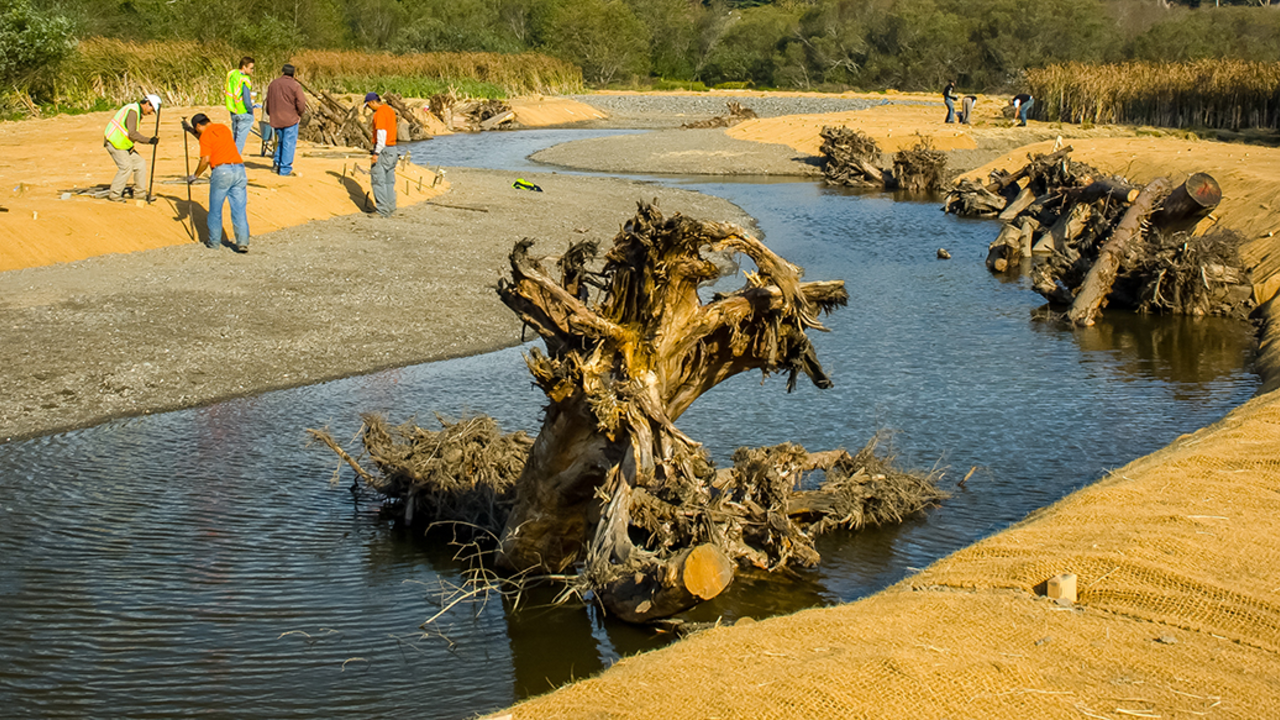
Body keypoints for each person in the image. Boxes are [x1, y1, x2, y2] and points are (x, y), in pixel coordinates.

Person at [185, 113, 249, 253]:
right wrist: (191, 131)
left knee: (215, 210)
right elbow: (207, 138)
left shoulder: (205, 135)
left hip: (222, 171)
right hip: (239, 169)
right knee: (239, 209)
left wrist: (195, 176)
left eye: (196, 130)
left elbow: (206, 159)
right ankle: (242, 242)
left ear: (199, 126)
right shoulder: (223, 128)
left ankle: (214, 242)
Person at [103, 94, 161, 202]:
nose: (151, 113)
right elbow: (132, 134)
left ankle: (140, 195)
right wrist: (149, 140)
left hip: (123, 145)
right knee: (126, 167)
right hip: (115, 142)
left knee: (140, 163)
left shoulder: (136, 111)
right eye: (151, 110)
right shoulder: (133, 111)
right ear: (147, 104)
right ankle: (115, 195)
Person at [265, 63, 307, 176]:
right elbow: (301, 102)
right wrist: (300, 113)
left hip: (276, 118)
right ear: (293, 74)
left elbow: (268, 101)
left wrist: (270, 113)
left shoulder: (273, 84)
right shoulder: (295, 85)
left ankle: (277, 163)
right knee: (288, 143)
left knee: (281, 142)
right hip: (290, 118)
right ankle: (285, 169)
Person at [365, 92, 400, 217]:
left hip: (384, 149)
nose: (369, 108)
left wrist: (376, 153)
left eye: (369, 105)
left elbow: (381, 134)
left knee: (378, 181)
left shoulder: (379, 113)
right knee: (389, 181)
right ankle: (390, 207)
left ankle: (382, 210)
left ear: (373, 102)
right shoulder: (389, 110)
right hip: (392, 148)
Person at [224, 56, 255, 154]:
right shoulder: (244, 79)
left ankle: (230, 159)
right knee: (240, 141)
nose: (252, 70)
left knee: (235, 137)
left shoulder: (232, 74)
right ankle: (234, 161)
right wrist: (250, 110)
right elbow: (246, 98)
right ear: (244, 67)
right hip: (243, 111)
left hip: (233, 109)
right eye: (251, 68)